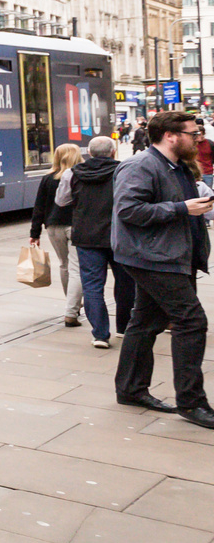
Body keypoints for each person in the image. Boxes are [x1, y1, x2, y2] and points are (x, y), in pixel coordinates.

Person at [111, 111, 214, 428]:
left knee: (146, 321)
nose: (198, 138)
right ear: (171, 135)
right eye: (192, 133)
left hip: (167, 254)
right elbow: (129, 210)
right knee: (191, 321)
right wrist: (182, 208)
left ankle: (130, 388)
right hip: (152, 256)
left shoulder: (176, 166)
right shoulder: (140, 165)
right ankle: (191, 403)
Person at [60, 136, 139, 346]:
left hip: (86, 236)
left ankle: (100, 334)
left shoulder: (73, 173)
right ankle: (123, 327)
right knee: (125, 282)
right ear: (113, 152)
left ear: (89, 153)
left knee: (92, 285)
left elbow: (61, 200)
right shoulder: (124, 170)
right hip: (119, 235)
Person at [31, 143, 81, 327]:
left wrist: (34, 233)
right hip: (76, 227)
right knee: (77, 269)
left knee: (64, 265)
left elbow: (39, 207)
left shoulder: (48, 178)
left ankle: (72, 303)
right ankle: (72, 310)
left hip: (54, 227)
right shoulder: (81, 177)